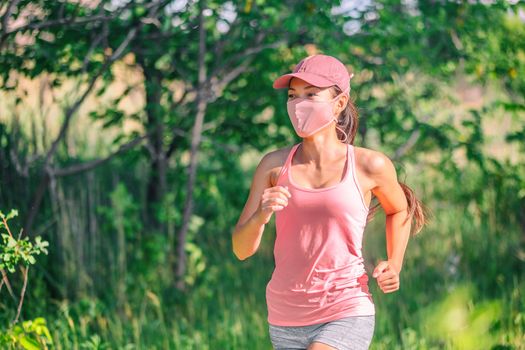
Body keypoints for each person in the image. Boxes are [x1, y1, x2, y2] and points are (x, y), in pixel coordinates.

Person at [232, 54, 428, 350]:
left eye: (311, 94)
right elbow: (241, 250)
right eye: (292, 95)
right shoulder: (273, 166)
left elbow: (399, 208)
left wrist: (395, 262)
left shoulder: (369, 164)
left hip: (346, 306)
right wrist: (261, 215)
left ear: (339, 104)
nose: (299, 104)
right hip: (285, 314)